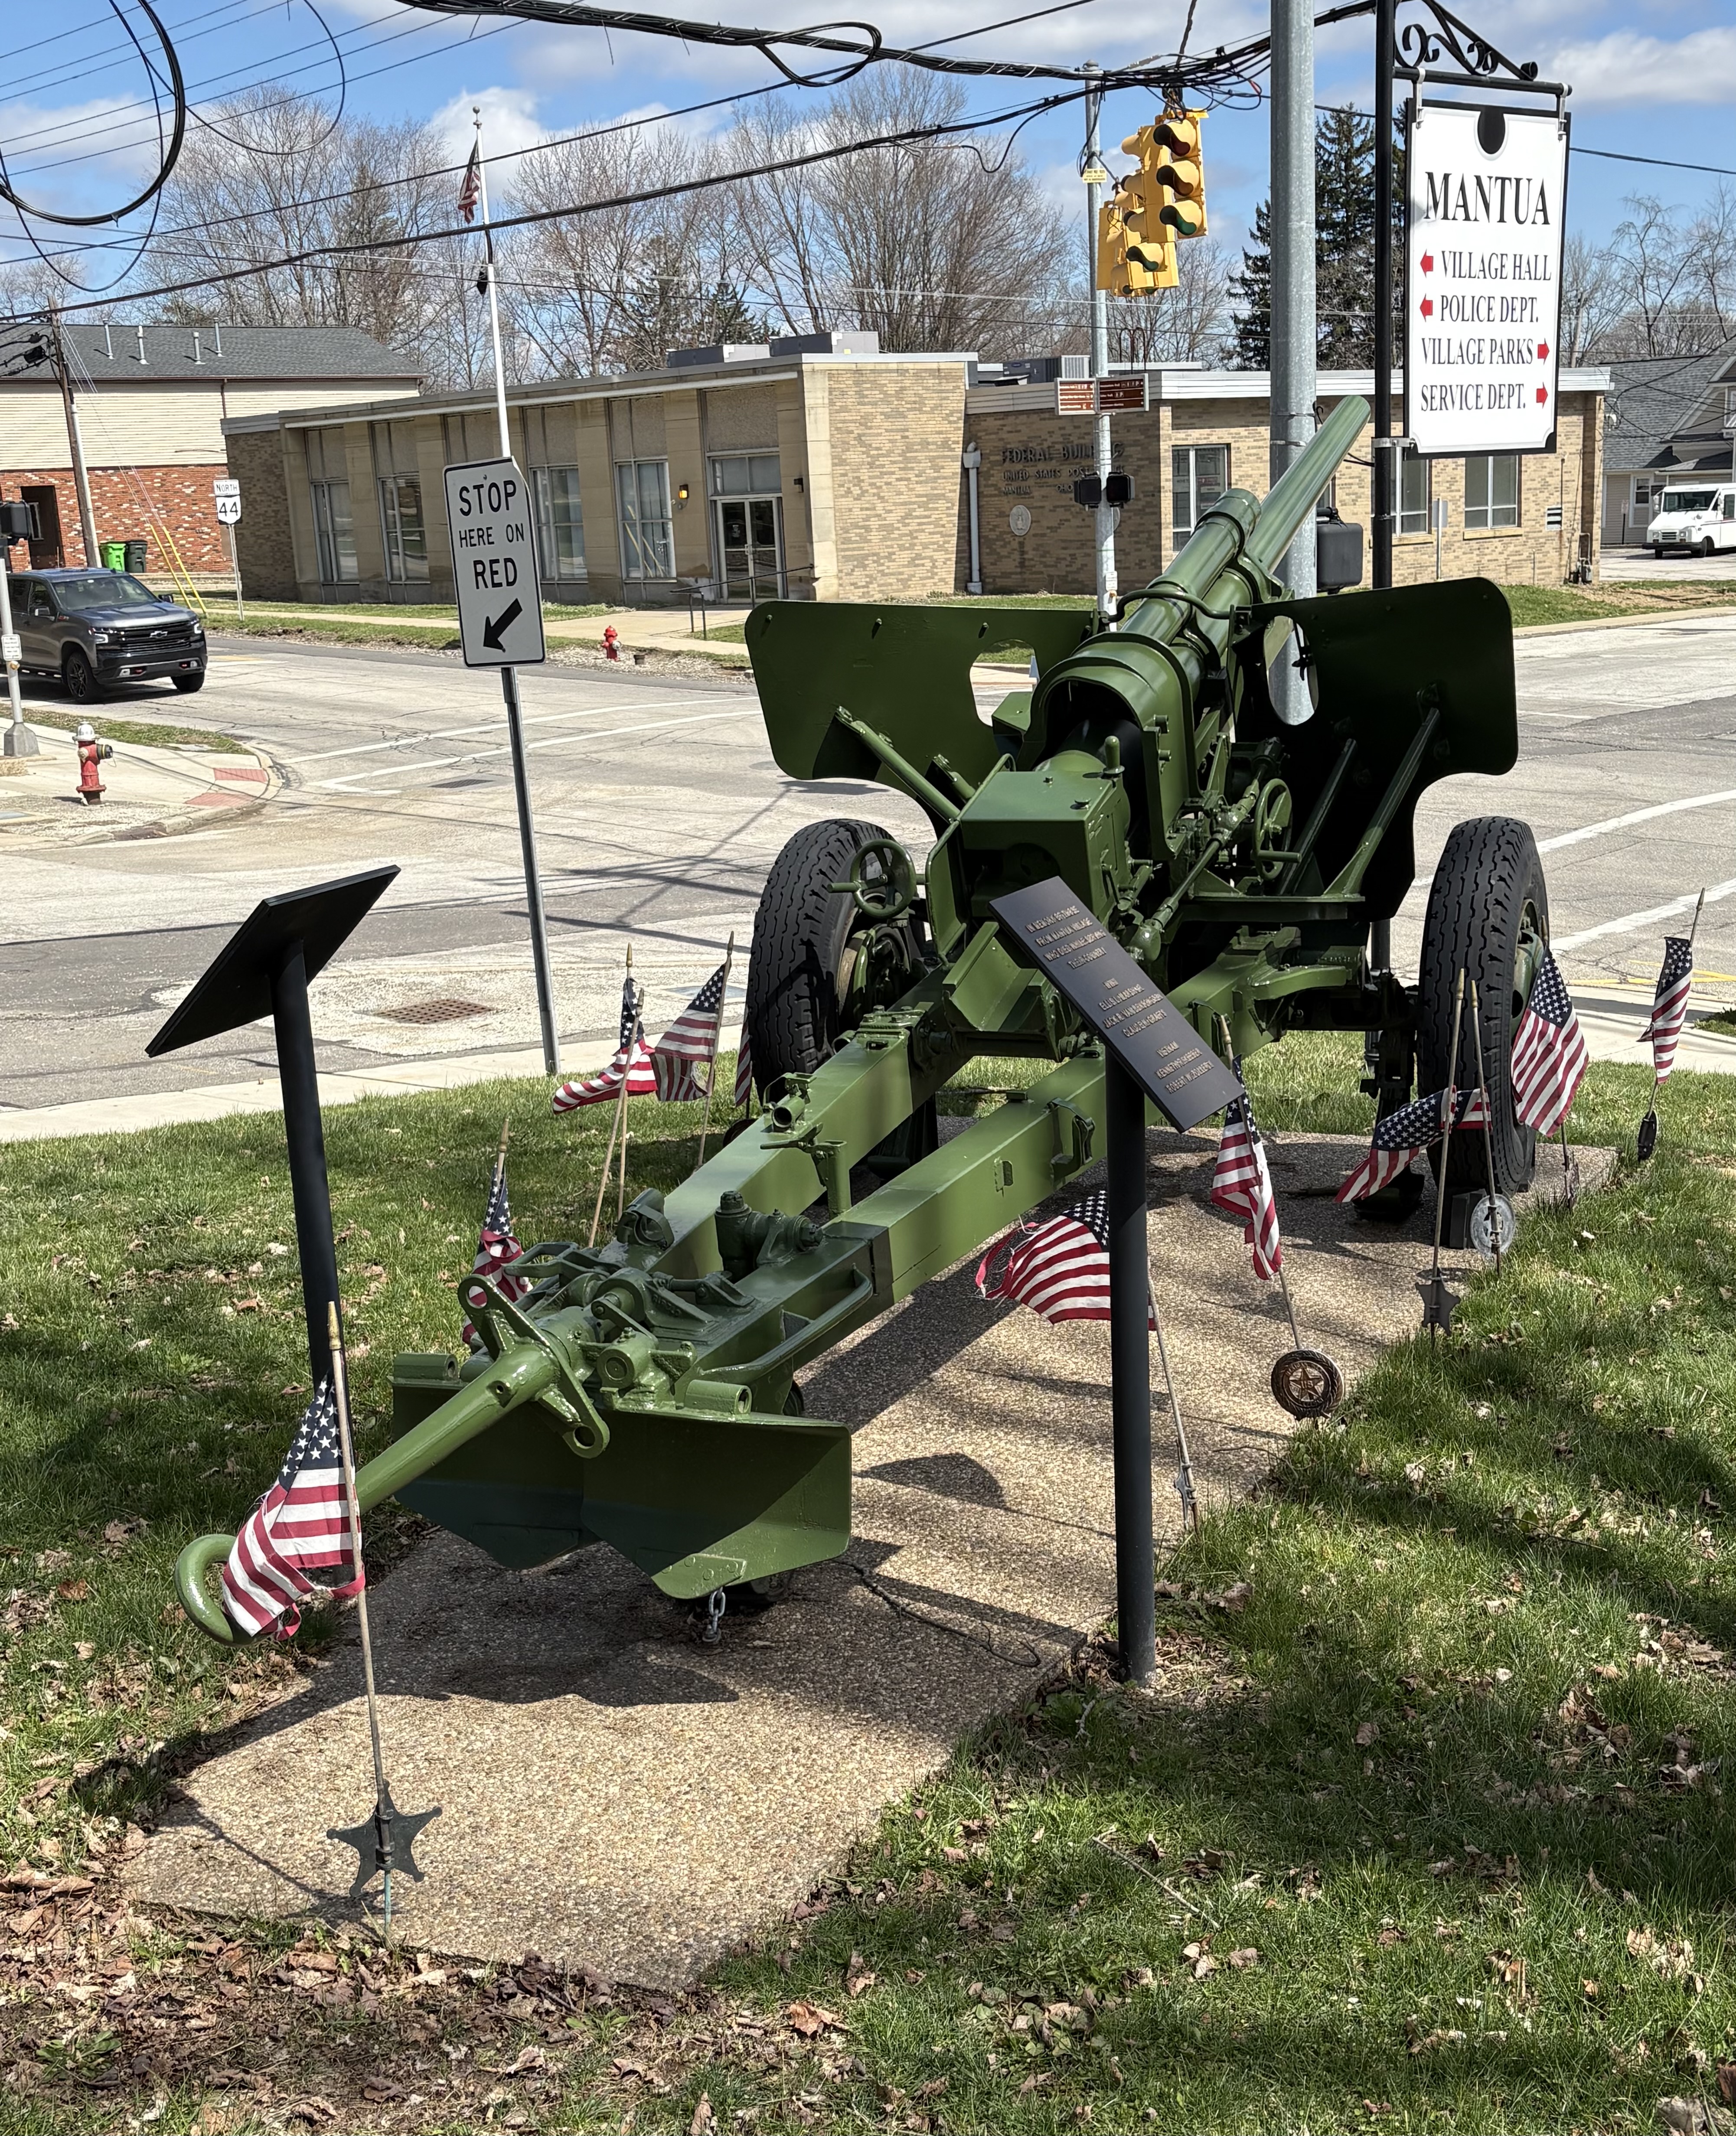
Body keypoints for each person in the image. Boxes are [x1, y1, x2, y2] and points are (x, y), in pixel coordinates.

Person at [75, 721, 111, 805]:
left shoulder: (85, 751)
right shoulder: (86, 751)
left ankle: (91, 799)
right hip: (91, 779)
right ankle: (93, 799)